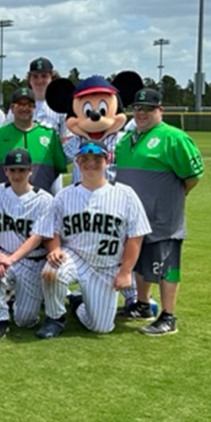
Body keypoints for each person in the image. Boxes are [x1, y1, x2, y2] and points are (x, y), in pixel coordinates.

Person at [36, 141, 151, 339]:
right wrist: (54, 248)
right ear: (77, 162)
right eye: (84, 159)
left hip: (107, 266)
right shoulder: (65, 195)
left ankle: (79, 302)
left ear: (107, 161)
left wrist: (125, 273)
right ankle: (55, 317)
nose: (90, 163)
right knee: (51, 271)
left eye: (97, 159)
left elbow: (135, 236)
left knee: (101, 327)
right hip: (75, 256)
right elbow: (51, 228)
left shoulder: (125, 194)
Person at [115, 89, 204, 336]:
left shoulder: (174, 138)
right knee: (141, 263)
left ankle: (168, 316)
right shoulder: (127, 138)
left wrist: (170, 197)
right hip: (134, 218)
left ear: (160, 110)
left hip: (163, 216)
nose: (141, 113)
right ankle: (143, 305)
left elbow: (192, 176)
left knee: (167, 264)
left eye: (148, 108)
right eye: (138, 108)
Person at [0, 148, 54, 339]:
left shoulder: (45, 199)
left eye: (22, 170)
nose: (17, 174)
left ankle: (19, 298)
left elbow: (37, 237)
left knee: (25, 320)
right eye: (12, 170)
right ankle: (0, 319)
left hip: (31, 261)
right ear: (5, 171)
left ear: (31, 170)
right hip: (3, 252)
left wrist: (10, 260)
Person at [0, 87, 67, 193]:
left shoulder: (50, 135)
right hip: (5, 202)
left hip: (40, 201)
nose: (24, 108)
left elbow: (58, 168)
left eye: (29, 105)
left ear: (34, 108)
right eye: (19, 105)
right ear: (12, 108)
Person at [6, 57, 71, 194]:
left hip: (49, 167)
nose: (39, 80)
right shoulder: (19, 104)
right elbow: (9, 134)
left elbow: (67, 142)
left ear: (51, 77)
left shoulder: (60, 106)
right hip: (21, 166)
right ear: (29, 79)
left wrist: (56, 162)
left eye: (44, 76)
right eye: (35, 76)